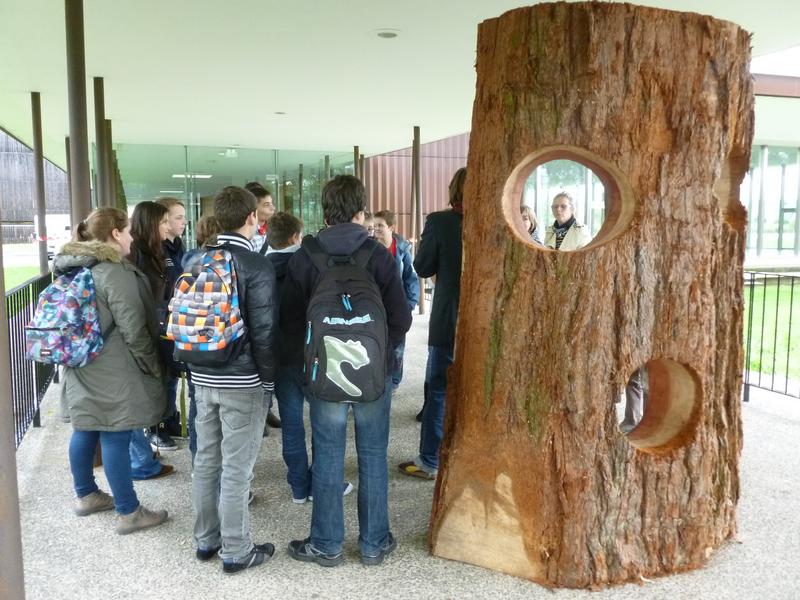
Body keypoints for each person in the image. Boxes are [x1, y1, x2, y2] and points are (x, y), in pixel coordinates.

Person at [282, 175, 411, 567]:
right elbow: (402, 319)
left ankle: (326, 543)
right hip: (374, 374)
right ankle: (373, 543)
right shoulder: (378, 254)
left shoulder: (305, 255)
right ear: (360, 211)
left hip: (325, 375)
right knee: (373, 453)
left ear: (325, 212)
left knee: (328, 452)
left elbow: (290, 321)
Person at [184, 186, 279, 574]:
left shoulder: (194, 258)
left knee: (206, 460)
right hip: (243, 381)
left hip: (201, 374)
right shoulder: (255, 264)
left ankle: (206, 540)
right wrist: (268, 383)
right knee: (238, 468)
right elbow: (265, 331)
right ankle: (237, 550)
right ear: (251, 218)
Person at [57, 207, 169, 534]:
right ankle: (129, 511)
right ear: (116, 234)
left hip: (79, 361)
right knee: (115, 434)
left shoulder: (71, 266)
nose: (132, 237)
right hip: (113, 367)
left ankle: (86, 495)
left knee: (85, 428)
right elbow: (134, 328)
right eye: (129, 230)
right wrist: (151, 365)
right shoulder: (113, 271)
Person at [399, 167, 465, 480]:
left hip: (449, 319)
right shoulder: (503, 221)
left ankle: (431, 461)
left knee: (438, 389)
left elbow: (423, 267)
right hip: (488, 324)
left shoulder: (441, 222)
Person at [126, 201, 176, 478]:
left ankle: (144, 457)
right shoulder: (136, 256)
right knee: (137, 401)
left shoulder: (155, 252)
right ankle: (141, 462)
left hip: (154, 332)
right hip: (142, 336)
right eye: (164, 222)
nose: (168, 227)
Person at [180, 214, 222, 463]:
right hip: (219, 343)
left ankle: (199, 457)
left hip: (193, 344)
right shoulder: (222, 264)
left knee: (198, 405)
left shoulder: (188, 262)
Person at [145, 197, 187, 449]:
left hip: (174, 320)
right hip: (159, 322)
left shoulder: (177, 246)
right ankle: (155, 427)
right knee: (161, 378)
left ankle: (169, 418)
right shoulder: (153, 251)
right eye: (177, 217)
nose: (183, 222)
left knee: (171, 375)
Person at [244, 182, 282, 430]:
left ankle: (266, 409)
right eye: (266, 204)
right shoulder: (252, 238)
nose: (272, 208)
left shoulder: (269, 233)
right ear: (253, 209)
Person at [373, 209, 419, 389]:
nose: (376, 229)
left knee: (397, 349)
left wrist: (410, 304)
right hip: (377, 306)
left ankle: (393, 383)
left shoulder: (402, 249)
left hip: (397, 306)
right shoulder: (371, 248)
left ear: (391, 227)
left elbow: (411, 277)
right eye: (374, 225)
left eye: (380, 226)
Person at [245, 181, 276, 254]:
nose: (273, 208)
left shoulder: (275, 229)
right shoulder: (246, 235)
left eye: (271, 203)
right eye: (266, 204)